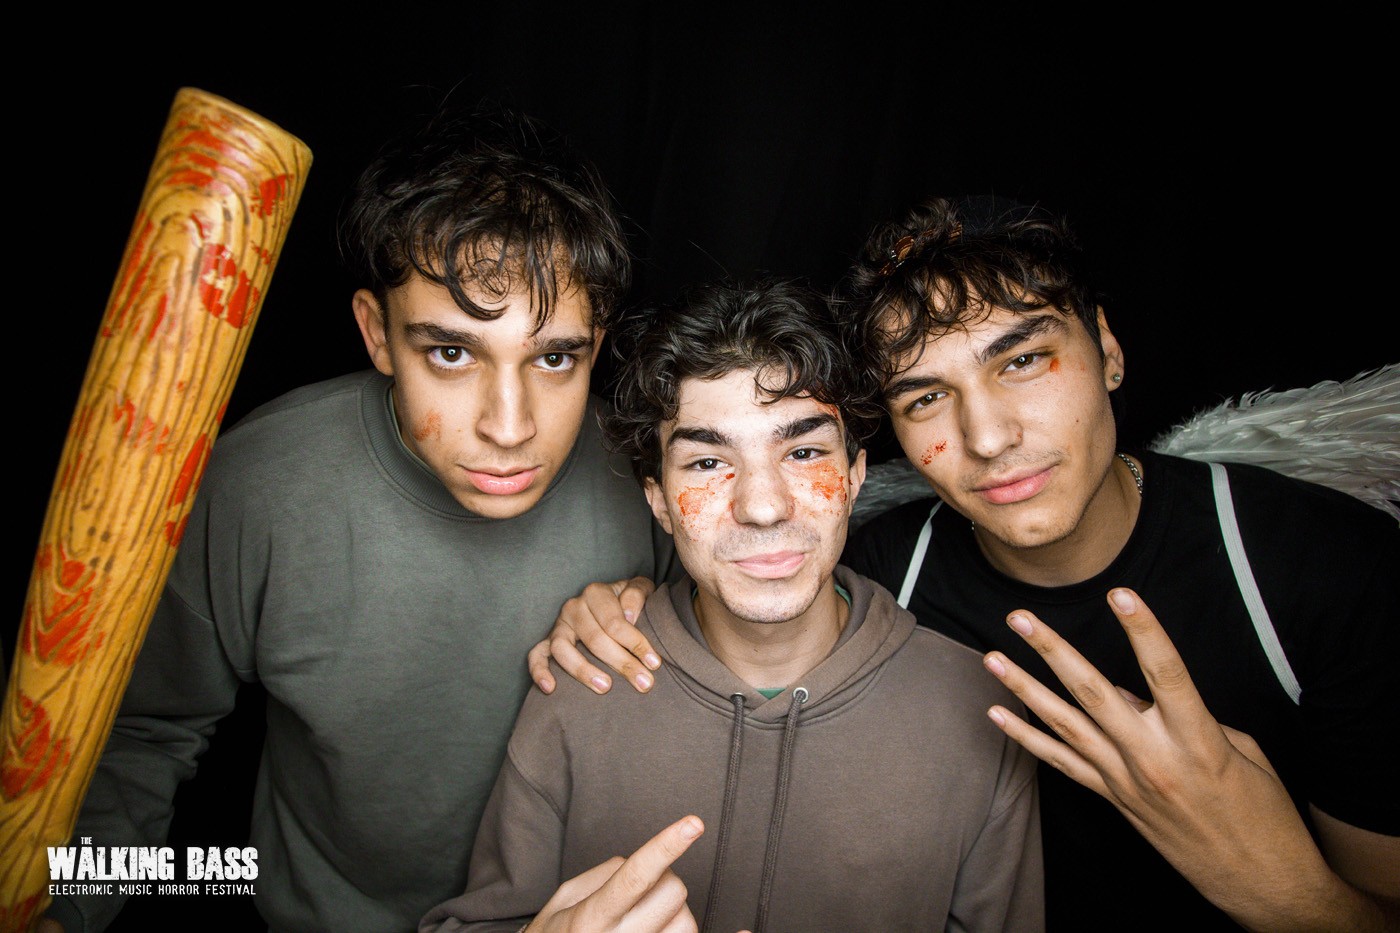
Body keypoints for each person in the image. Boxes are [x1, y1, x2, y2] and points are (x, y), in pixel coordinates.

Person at [536, 197, 1400, 931]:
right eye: (926, 396)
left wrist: (1282, 888)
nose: (987, 436)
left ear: (1107, 347)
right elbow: (741, 591)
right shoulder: (882, 575)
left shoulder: (1328, 570)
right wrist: (626, 604)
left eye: (1022, 361)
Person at [43, 103, 675, 933]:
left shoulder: (654, 478)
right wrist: (67, 910)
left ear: (598, 341)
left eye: (555, 357)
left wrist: (667, 620)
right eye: (452, 352)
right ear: (377, 334)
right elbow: (140, 737)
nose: (510, 425)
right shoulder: (257, 484)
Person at [422, 278, 1043, 933]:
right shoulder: (579, 688)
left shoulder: (980, 710)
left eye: (804, 451)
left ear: (855, 475)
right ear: (658, 500)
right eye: (706, 463)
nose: (763, 506)